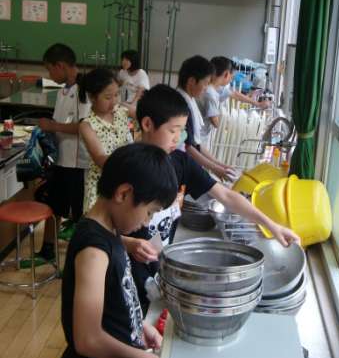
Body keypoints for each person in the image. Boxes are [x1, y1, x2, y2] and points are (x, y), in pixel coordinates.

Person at [121, 84, 300, 312]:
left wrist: (272, 226)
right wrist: (129, 243)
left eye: (182, 131)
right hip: (125, 271)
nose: (178, 138)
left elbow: (226, 196)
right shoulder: (126, 166)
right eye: (173, 130)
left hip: (158, 266)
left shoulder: (180, 162)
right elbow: (98, 226)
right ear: (147, 124)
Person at [54, 143, 178, 358]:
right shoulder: (94, 251)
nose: (147, 221)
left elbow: (117, 300)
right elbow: (87, 339)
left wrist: (139, 327)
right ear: (123, 193)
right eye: (149, 212)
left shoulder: (112, 233)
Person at [32, 44, 90, 264]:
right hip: (61, 159)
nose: (50, 75)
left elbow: (84, 127)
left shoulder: (84, 90)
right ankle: (47, 249)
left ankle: (80, 259)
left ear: (61, 66)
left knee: (80, 214)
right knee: (53, 205)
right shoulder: (63, 90)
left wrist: (52, 126)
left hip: (78, 163)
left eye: (50, 69)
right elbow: (61, 122)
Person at [79, 68, 136, 213]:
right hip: (101, 187)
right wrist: (132, 162)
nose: (114, 101)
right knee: (101, 223)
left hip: (125, 181)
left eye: (117, 94)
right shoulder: (87, 125)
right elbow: (100, 158)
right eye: (108, 97)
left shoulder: (122, 110)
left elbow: (145, 116)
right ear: (92, 97)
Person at [176, 55, 233, 181]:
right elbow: (189, 147)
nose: (206, 88)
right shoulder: (182, 105)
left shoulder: (190, 100)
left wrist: (219, 165)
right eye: (206, 83)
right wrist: (216, 168)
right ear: (192, 81)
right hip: (181, 162)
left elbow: (196, 144)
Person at [198, 56, 271, 143]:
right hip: (200, 136)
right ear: (226, 74)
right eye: (231, 77)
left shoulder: (215, 87)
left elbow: (234, 94)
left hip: (203, 134)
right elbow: (215, 122)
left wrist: (257, 104)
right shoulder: (210, 94)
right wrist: (239, 128)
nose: (231, 80)